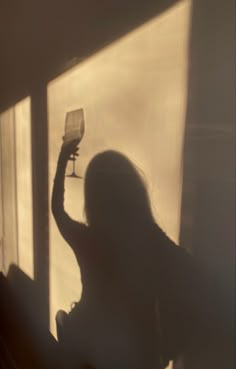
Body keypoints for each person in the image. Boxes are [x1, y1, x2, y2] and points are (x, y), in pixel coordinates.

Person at [52, 139, 217, 369]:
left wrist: (63, 159)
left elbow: (57, 211)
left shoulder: (88, 240)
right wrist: (167, 348)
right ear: (134, 193)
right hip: (138, 355)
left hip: (87, 344)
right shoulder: (150, 241)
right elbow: (197, 279)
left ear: (92, 198)